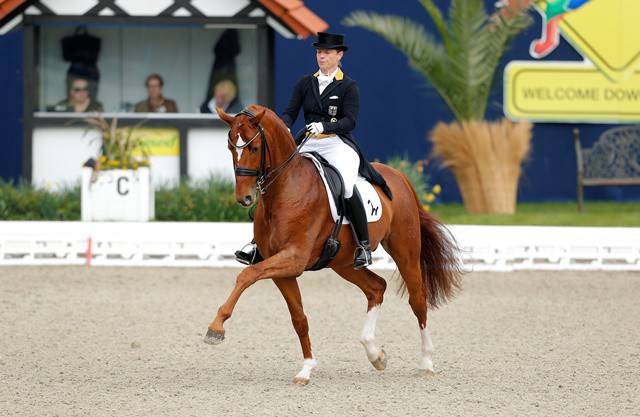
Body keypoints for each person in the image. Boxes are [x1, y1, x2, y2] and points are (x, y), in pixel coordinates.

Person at [236, 32, 391, 270]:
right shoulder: (305, 82)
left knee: (348, 185)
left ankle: (362, 245)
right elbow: (290, 110)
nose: (322, 57)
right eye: (319, 52)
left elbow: (350, 121)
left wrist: (325, 126)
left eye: (327, 53)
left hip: (337, 143)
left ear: (339, 55)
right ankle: (259, 243)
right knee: (274, 178)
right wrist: (285, 126)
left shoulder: (349, 86)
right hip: (308, 141)